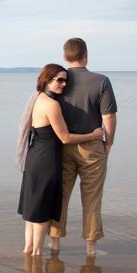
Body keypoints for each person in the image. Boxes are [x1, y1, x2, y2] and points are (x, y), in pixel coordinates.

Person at [17, 64, 104, 256]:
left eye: (65, 80)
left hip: (34, 157)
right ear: (47, 80)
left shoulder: (37, 98)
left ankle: (29, 257)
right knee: (40, 213)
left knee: (31, 211)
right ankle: (36, 260)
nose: (64, 84)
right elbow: (65, 137)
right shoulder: (52, 104)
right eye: (59, 80)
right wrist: (94, 135)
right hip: (46, 160)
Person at [49, 38, 118, 257]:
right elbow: (109, 117)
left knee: (60, 197)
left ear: (65, 57)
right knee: (92, 199)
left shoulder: (59, 80)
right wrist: (109, 142)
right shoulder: (101, 81)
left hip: (63, 146)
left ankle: (55, 244)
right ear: (86, 55)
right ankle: (90, 249)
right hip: (92, 147)